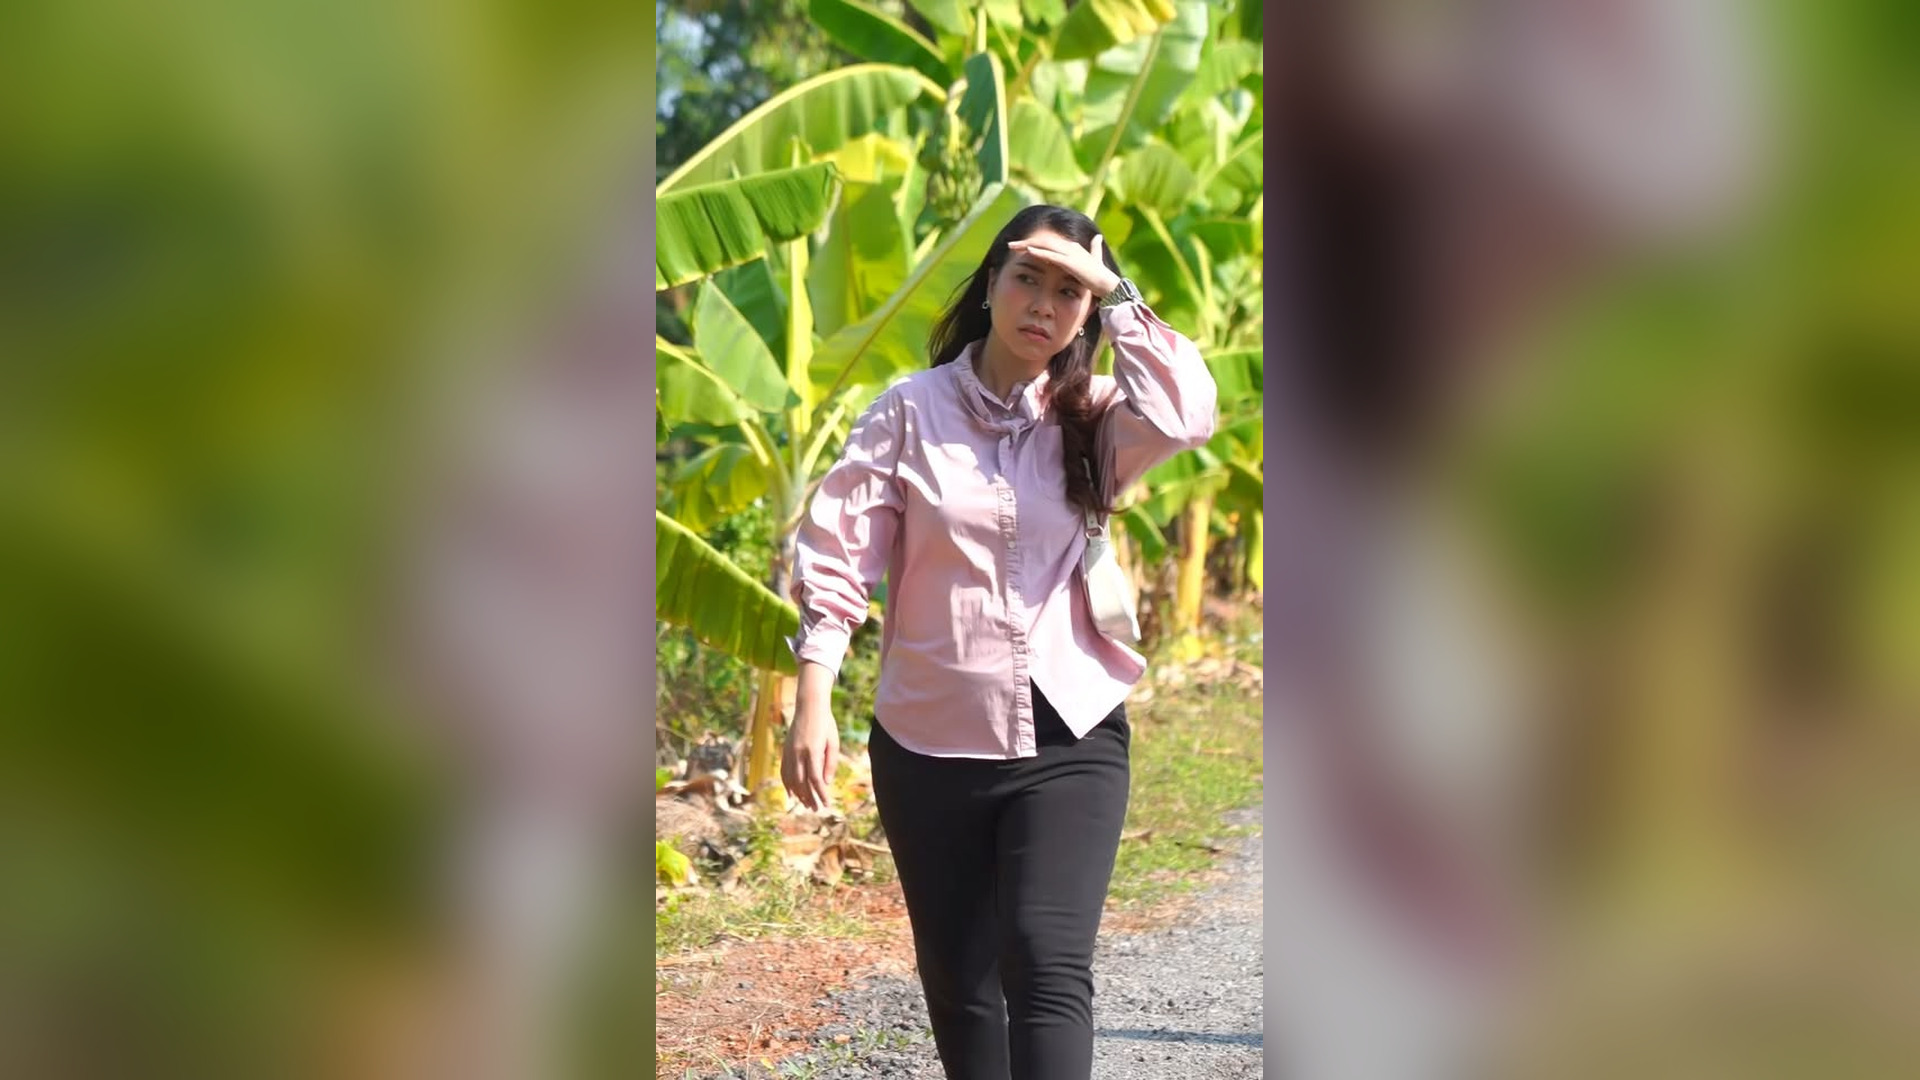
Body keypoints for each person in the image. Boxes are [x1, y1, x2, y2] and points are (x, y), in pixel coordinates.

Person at [778, 203, 1217, 1080]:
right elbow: (837, 556)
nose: (1044, 305)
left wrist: (1118, 295)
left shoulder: (1097, 415)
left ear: (1087, 312)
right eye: (1027, 279)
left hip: (1070, 734)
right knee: (961, 983)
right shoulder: (907, 412)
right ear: (989, 285)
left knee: (1048, 964)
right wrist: (813, 696)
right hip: (929, 739)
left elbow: (1188, 414)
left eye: (1069, 292)